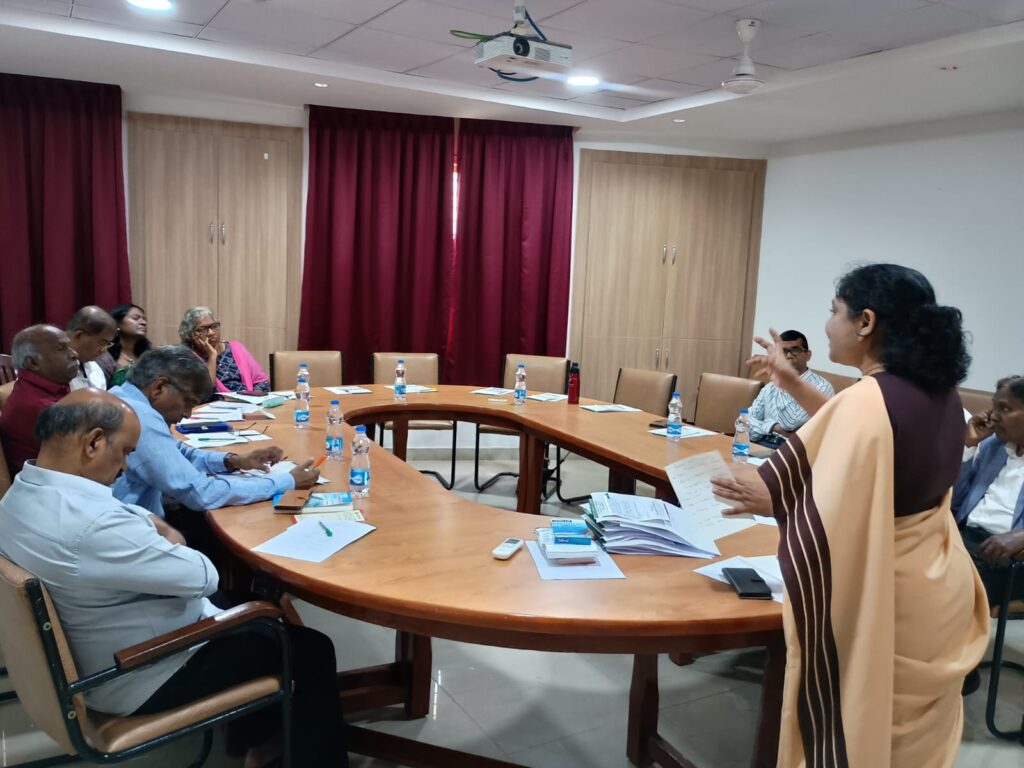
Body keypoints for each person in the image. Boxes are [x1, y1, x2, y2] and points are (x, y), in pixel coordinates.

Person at [709, 264, 988, 767]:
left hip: (886, 596)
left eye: (834, 311)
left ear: (865, 322)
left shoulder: (868, 402)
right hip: (937, 587)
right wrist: (791, 382)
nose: (827, 324)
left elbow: (844, 458)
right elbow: (863, 427)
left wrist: (777, 498)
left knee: (861, 733)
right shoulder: (941, 393)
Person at [0, 389, 348, 767]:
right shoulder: (92, 526)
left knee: (258, 610)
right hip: (142, 671)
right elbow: (203, 576)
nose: (126, 466)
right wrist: (168, 532)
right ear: (94, 442)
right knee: (311, 649)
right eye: (126, 452)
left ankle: (258, 743)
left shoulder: (18, 497)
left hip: (102, 647)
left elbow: (131, 522)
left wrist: (151, 527)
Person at [110, 345, 319, 522]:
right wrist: (287, 482)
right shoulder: (141, 418)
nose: (187, 414)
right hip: (133, 531)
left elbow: (177, 450)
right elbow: (201, 493)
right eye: (188, 402)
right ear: (159, 387)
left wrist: (233, 461)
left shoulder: (123, 396)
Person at [953, 375, 1024, 612]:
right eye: (995, 407)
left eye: (1005, 409)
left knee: (945, 589)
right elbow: (955, 502)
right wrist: (969, 445)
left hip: (1008, 556)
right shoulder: (993, 446)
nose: (993, 416)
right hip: (966, 540)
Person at [0, 325, 79, 476]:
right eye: (62, 349)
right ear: (33, 362)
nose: (74, 354)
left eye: (69, 347)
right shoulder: (43, 408)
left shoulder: (27, 387)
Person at [746, 329, 835, 447]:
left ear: (808, 355)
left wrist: (787, 382)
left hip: (793, 449)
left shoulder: (822, 387)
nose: (788, 355)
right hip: (761, 444)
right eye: (784, 351)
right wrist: (773, 427)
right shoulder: (771, 386)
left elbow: (791, 422)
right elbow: (745, 423)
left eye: (795, 350)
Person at [179, 306, 270, 396]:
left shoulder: (236, 347)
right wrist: (212, 356)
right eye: (203, 329)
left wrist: (253, 398)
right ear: (191, 334)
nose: (211, 332)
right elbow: (205, 393)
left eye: (214, 326)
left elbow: (263, 381)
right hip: (216, 404)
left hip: (249, 401)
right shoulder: (186, 357)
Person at [66, 306, 117, 391]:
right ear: (79, 335)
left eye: (108, 344)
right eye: (102, 343)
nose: (103, 350)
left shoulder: (96, 368)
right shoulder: (53, 367)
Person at [107, 303, 151, 387]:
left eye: (144, 319)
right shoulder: (105, 356)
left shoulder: (147, 355)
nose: (144, 322)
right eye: (136, 318)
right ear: (117, 323)